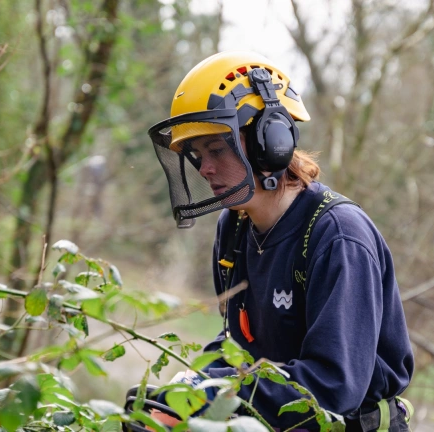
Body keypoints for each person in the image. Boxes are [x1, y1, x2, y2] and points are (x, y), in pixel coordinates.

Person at [146, 51, 414, 431]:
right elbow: (239, 350)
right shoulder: (234, 228)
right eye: (197, 154)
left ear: (268, 139)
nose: (205, 169)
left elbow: (333, 388)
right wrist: (189, 387)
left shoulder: (338, 236)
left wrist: (217, 395)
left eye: (217, 149)